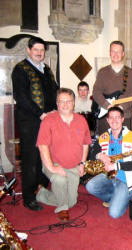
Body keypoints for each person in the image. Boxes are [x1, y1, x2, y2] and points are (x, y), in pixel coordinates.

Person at [12, 36, 59, 211]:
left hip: (48, 120)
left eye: (42, 50)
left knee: (45, 156)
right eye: (36, 50)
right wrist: (40, 114)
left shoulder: (46, 69)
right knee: (31, 158)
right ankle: (29, 197)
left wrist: (58, 108)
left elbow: (54, 90)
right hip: (30, 122)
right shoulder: (20, 69)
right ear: (29, 50)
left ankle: (41, 188)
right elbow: (21, 97)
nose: (39, 53)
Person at [36, 88, 91, 221]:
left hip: (74, 166)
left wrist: (82, 163)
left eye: (68, 101)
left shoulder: (81, 120)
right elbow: (42, 146)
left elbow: (85, 144)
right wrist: (52, 168)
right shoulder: (48, 120)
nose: (65, 104)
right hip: (54, 163)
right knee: (59, 180)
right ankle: (62, 209)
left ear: (73, 103)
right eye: (61, 101)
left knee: (72, 201)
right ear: (57, 103)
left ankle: (41, 194)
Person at [85, 106, 132, 218]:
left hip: (126, 179)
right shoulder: (103, 136)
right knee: (90, 186)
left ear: (122, 119)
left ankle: (130, 196)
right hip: (109, 176)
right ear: (107, 120)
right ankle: (117, 197)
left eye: (117, 117)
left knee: (114, 214)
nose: (114, 120)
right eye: (111, 118)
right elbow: (93, 154)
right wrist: (100, 155)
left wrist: (115, 166)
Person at [93, 40, 132, 134]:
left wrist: (121, 107)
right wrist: (107, 106)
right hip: (106, 116)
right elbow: (96, 92)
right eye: (113, 51)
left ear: (123, 54)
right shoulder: (102, 72)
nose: (115, 54)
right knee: (105, 145)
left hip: (124, 116)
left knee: (125, 146)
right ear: (109, 53)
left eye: (118, 51)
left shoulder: (131, 73)